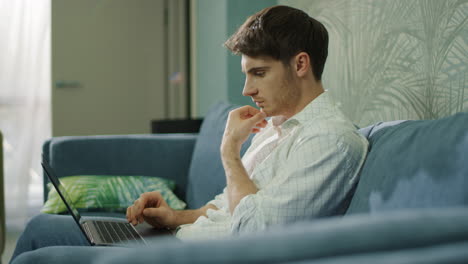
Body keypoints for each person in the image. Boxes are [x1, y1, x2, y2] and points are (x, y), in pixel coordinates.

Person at [11, 5, 368, 262]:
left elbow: (257, 232)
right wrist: (175, 218)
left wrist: (229, 152)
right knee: (42, 225)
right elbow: (232, 207)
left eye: (258, 74)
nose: (247, 89)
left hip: (195, 255)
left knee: (38, 249)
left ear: (301, 64)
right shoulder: (276, 128)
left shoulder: (330, 141)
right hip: (178, 239)